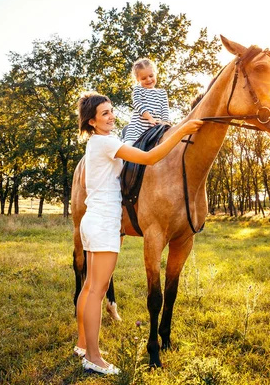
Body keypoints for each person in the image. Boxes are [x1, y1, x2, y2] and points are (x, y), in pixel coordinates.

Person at [74, 92, 204, 375]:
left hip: (93, 221)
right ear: (92, 122)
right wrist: (181, 128)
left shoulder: (95, 145)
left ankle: (83, 344)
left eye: (111, 111)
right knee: (97, 290)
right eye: (105, 114)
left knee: (88, 287)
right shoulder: (107, 143)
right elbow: (150, 156)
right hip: (105, 224)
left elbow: (88, 180)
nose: (111, 117)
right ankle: (93, 358)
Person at [123, 58, 170, 145]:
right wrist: (149, 118)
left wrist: (165, 124)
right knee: (128, 147)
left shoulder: (162, 93)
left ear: (155, 74)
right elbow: (137, 103)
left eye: (151, 76)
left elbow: (165, 111)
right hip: (137, 130)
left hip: (156, 130)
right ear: (138, 79)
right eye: (144, 78)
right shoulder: (138, 89)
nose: (148, 80)